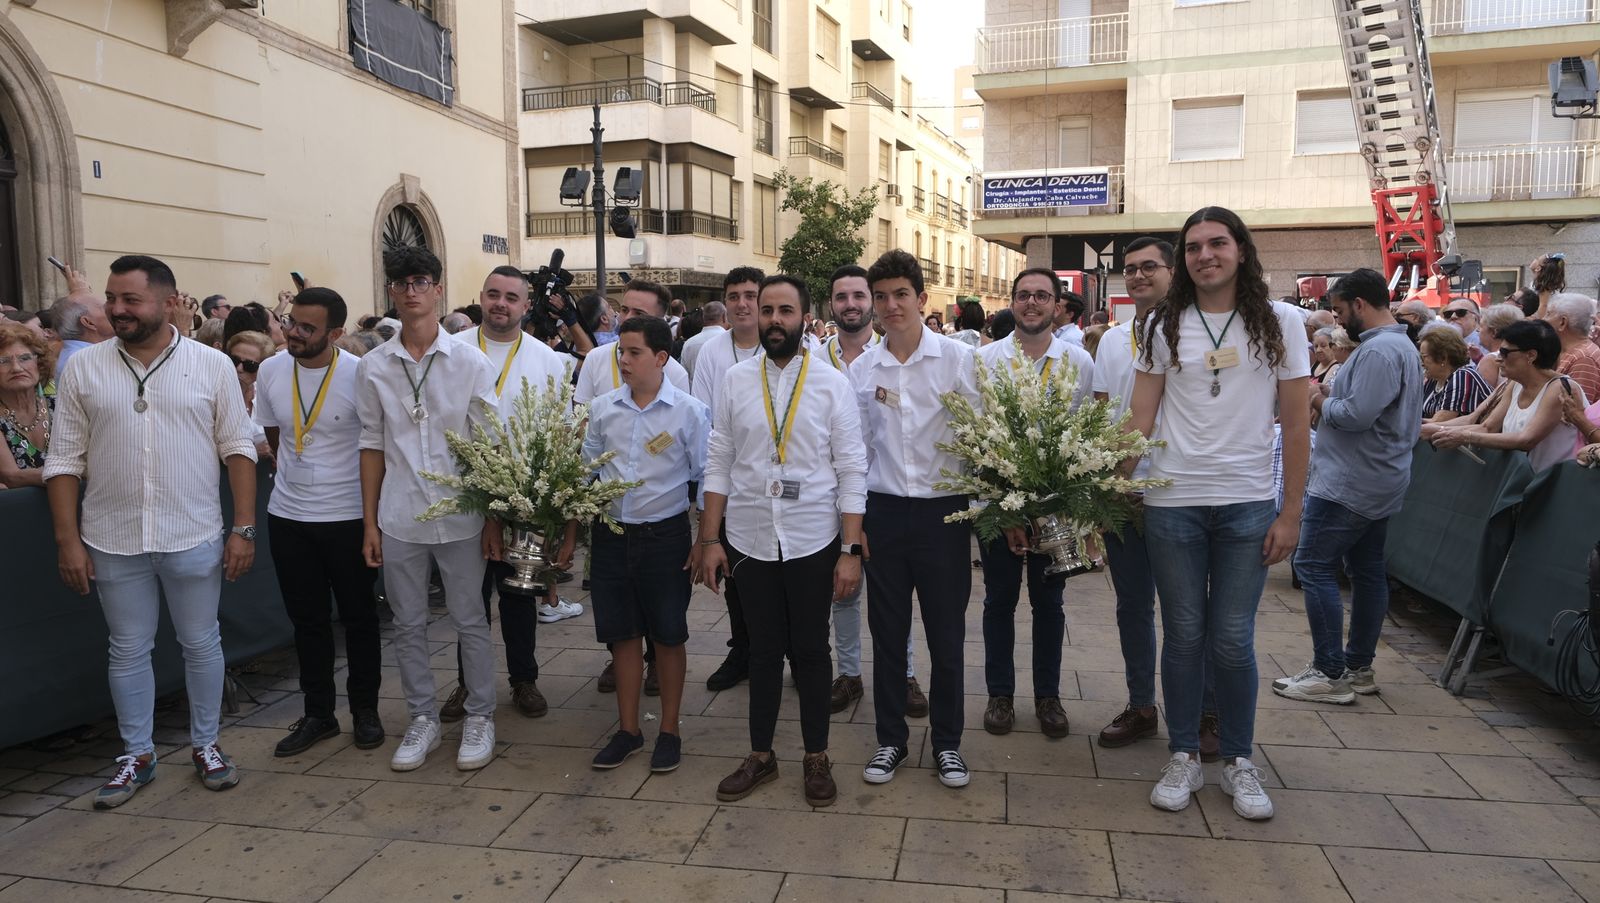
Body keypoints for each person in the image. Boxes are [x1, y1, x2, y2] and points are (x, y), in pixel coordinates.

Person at [44, 254, 258, 808]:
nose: (117, 309)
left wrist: (244, 528)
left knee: (201, 643)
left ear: (168, 302)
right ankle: (136, 755)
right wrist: (68, 540)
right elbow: (64, 461)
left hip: (193, 533)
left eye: (130, 299)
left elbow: (237, 449)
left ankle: (207, 745)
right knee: (128, 649)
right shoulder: (84, 368)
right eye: (112, 299)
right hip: (112, 537)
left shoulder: (211, 365)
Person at [1129, 207, 1310, 821]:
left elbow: (1297, 424)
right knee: (1183, 636)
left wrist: (1291, 513)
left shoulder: (1283, 322)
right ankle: (1183, 754)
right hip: (1172, 503)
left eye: (1217, 243)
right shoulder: (1162, 324)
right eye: (1193, 246)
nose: (1204, 254)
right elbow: (1141, 419)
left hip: (1246, 505)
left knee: (1232, 641)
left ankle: (1237, 760)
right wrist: (1092, 484)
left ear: (1240, 249)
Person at [693, 275, 866, 807]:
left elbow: (852, 470)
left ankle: (817, 756)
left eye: (784, 311)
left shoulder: (832, 384)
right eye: (766, 310)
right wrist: (709, 538)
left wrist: (849, 550)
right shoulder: (736, 381)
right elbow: (718, 459)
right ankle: (761, 755)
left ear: (805, 318)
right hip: (749, 537)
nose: (773, 320)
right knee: (764, 651)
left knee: (812, 651)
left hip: (814, 538)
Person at [356, 246, 502, 773]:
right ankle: (422, 718)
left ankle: (480, 714)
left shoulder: (469, 361)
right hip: (399, 514)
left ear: (438, 289)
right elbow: (371, 445)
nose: (411, 291)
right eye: (401, 283)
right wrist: (369, 522)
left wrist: (492, 517)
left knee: (469, 621)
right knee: (408, 623)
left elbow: (487, 445)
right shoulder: (373, 366)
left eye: (420, 281)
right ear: (391, 292)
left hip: (461, 515)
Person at [1092, 237, 1222, 758]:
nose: (1139, 276)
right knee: (1132, 606)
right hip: (1123, 494)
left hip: (1183, 491)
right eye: (1130, 269)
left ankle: (1206, 713)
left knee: (1190, 612)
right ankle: (1142, 704)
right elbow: (1102, 415)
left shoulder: (1198, 333)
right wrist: (1101, 487)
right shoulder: (1111, 341)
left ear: (1174, 272)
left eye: (1150, 266)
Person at [855, 250, 980, 789]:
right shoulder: (861, 369)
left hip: (943, 513)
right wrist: (853, 526)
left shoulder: (957, 360)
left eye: (900, 294)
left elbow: (981, 438)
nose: (890, 306)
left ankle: (948, 743)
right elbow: (855, 453)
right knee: (887, 635)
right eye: (880, 297)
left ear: (922, 299)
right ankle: (890, 741)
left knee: (946, 635)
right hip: (883, 513)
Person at [436, 266, 578, 724]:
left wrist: (554, 504)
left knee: (518, 595)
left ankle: (524, 678)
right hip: (464, 493)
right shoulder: (450, 352)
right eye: (493, 295)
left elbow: (558, 429)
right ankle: (468, 683)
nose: (501, 304)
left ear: (525, 305)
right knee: (467, 599)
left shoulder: (547, 359)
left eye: (511, 297)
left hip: (523, 497)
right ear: (480, 298)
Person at [1276, 268, 1422, 705]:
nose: (1338, 322)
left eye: (1340, 312)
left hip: (1350, 481)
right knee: (1366, 570)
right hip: (1376, 476)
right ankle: (1357, 666)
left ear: (1360, 304)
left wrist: (1317, 397)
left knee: (1314, 565)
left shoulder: (1380, 352)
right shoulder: (1396, 347)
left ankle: (1330, 671)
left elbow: (1355, 416)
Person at [252, 287, 384, 757]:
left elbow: (375, 443)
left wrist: (373, 521)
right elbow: (274, 433)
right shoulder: (270, 370)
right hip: (288, 516)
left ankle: (365, 710)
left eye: (307, 328)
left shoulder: (360, 374)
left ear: (335, 333)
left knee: (360, 619)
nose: (293, 333)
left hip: (347, 515)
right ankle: (318, 714)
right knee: (306, 622)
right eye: (291, 322)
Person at [581, 316, 708, 773]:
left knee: (669, 636)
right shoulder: (603, 408)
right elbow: (587, 469)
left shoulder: (688, 412)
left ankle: (669, 731)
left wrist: (704, 539)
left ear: (660, 358)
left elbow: (706, 477)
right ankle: (629, 730)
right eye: (621, 352)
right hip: (612, 536)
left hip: (665, 538)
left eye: (633, 353)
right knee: (623, 636)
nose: (624, 361)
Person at [974, 269, 1093, 740]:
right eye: (1023, 295)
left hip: (1057, 507)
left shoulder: (1079, 362)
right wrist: (1002, 511)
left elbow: (1085, 432)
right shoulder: (984, 361)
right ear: (1012, 302)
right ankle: (1000, 694)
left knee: (1050, 604)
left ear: (1056, 304)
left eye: (1041, 295)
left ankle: (1049, 696)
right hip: (999, 505)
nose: (1031, 303)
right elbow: (977, 439)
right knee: (999, 601)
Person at [820, 265, 927, 718]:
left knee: (892, 596)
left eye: (859, 296)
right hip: (830, 494)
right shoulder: (811, 358)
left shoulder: (893, 356)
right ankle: (848, 672)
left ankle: (901, 674)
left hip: (883, 498)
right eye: (841, 297)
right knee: (843, 592)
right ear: (831, 305)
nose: (851, 305)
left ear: (874, 301)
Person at [691, 267, 767, 692]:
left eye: (750, 295)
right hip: (730, 484)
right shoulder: (712, 352)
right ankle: (742, 651)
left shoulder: (789, 345)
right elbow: (704, 419)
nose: (742, 303)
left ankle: (784, 651)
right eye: (734, 295)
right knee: (736, 577)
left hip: (777, 485)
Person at [1430, 319, 1586, 472]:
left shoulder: (1560, 388)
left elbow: (1526, 440)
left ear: (1531, 355)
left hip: (1551, 486)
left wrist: (1463, 436)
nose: (1498, 358)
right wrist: (1431, 429)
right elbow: (1487, 427)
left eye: (1505, 353)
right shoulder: (1515, 384)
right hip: (1521, 480)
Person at [0, 323, 54, 489]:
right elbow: (12, 477)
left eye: (24, 358)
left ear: (39, 362)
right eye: (4, 361)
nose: (16, 368)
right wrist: (68, 473)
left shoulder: (60, 405)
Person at [48, 264, 115, 374]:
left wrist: (82, 291)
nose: (115, 311)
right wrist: (81, 291)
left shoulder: (79, 356)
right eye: (103, 307)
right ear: (88, 322)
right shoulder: (84, 361)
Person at [1419, 328, 1490, 425]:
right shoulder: (1434, 379)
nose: (1421, 363)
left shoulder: (1463, 376)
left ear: (1443, 358)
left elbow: (1439, 422)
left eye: (1423, 356)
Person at [1547, 293, 1600, 403]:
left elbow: (1574, 412)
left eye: (1548, 314)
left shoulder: (1584, 359)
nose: (1543, 320)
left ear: (1562, 322)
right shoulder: (1565, 351)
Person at [681, 301, 727, 379]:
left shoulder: (689, 344)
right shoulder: (731, 341)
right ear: (724, 317)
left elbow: (684, 375)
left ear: (703, 318)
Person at [1530, 252, 1566, 319]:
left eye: (1537, 259)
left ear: (1538, 268)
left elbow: (1543, 305)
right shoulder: (1541, 281)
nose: (1534, 259)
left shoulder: (1545, 286)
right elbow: (1533, 269)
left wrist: (1539, 323)